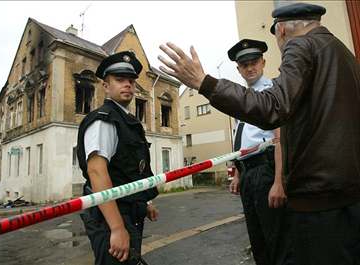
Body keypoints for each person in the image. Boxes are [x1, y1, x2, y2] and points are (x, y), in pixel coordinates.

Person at [158, 2, 360, 265]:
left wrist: (204, 83)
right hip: (347, 193)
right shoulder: (343, 53)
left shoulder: (300, 45)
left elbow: (273, 108)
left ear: (282, 31)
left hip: (319, 200)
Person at [77, 51, 159, 265]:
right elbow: (97, 172)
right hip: (111, 215)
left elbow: (131, 169)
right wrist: (116, 227)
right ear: (105, 86)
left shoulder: (126, 120)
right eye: (119, 80)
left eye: (131, 81)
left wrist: (145, 201)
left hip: (130, 210)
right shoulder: (104, 121)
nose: (127, 85)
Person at [227, 39, 286, 265]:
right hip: (249, 172)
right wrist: (239, 173)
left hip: (267, 169)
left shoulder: (273, 91)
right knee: (257, 238)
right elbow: (244, 139)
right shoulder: (243, 97)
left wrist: (279, 181)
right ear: (238, 69)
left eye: (254, 62)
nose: (250, 68)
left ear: (263, 62)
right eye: (244, 65)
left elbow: (280, 140)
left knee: (277, 238)